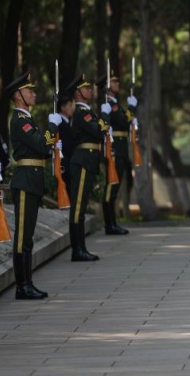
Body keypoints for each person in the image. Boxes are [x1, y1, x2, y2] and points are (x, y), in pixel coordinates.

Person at [3, 72, 62, 299]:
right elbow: (41, 146)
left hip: (32, 179)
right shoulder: (20, 120)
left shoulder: (27, 119)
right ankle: (22, 285)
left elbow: (43, 150)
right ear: (18, 95)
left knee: (27, 237)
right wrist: (52, 127)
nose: (33, 94)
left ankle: (27, 283)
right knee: (23, 237)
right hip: (25, 181)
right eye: (29, 90)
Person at [68, 74, 108, 262]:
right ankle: (77, 249)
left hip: (87, 161)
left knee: (81, 206)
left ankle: (81, 248)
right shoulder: (81, 113)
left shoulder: (86, 112)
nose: (90, 90)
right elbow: (99, 132)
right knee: (78, 208)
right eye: (86, 88)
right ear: (78, 93)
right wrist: (105, 115)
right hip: (82, 162)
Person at [96, 72, 136, 235]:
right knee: (111, 189)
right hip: (114, 150)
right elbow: (123, 122)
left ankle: (112, 223)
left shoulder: (115, 104)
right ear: (107, 86)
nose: (117, 84)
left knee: (115, 188)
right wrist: (131, 108)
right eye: (113, 82)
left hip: (120, 149)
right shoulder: (109, 105)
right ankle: (109, 224)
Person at [57, 94, 76, 188]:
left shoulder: (66, 123)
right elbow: (67, 144)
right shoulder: (60, 123)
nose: (72, 108)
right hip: (64, 162)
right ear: (62, 107)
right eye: (69, 105)